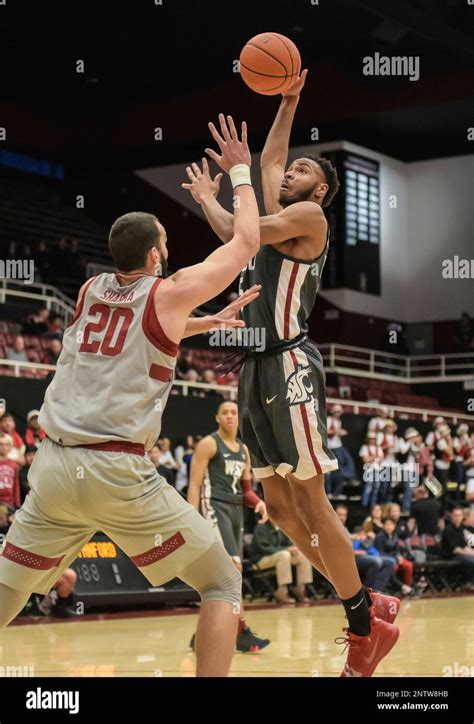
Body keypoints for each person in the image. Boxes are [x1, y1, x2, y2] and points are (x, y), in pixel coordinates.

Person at [0, 115, 262, 678]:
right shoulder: (167, 292)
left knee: (5, 596)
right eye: (165, 246)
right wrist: (241, 170)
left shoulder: (91, 291)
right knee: (220, 581)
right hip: (117, 472)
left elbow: (130, 336)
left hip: (52, 467)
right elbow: (245, 242)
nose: (167, 254)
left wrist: (202, 321)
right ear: (154, 257)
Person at [183, 76, 399, 676]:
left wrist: (232, 184)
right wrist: (289, 102)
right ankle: (364, 599)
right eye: (290, 167)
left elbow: (242, 228)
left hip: (290, 362)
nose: (288, 171)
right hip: (253, 367)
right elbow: (265, 168)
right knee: (277, 506)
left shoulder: (306, 218)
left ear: (321, 189)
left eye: (303, 169)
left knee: (310, 495)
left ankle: (362, 627)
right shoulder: (270, 209)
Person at [188, 400, 270, 650]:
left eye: (234, 412)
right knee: (232, 571)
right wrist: (193, 519)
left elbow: (246, 490)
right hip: (215, 506)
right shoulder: (209, 444)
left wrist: (259, 503)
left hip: (236, 512)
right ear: (217, 418)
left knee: (229, 576)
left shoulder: (244, 450)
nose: (230, 416)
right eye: (225, 412)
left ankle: (201, 636)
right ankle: (241, 633)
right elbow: (194, 483)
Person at [249, 519, 314, 604]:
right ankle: (282, 591)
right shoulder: (261, 527)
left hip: (278, 556)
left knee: (302, 556)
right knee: (284, 554)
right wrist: (286, 549)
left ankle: (300, 588)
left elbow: (287, 543)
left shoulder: (281, 526)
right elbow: (263, 548)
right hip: (260, 559)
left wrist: (294, 549)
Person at [325, 404, 356, 500]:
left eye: (339, 412)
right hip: (332, 447)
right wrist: (337, 432)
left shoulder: (338, 421)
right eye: (336, 412)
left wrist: (339, 432)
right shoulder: (329, 420)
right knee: (338, 466)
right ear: (333, 412)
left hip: (338, 445)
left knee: (347, 462)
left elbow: (334, 433)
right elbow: (325, 432)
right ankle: (348, 479)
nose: (338, 414)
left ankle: (349, 478)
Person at [375, 519, 414, 596]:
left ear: (394, 526)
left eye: (391, 525)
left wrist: (399, 557)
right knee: (394, 567)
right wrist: (395, 558)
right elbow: (379, 552)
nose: (389, 527)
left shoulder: (395, 536)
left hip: (395, 558)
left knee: (409, 565)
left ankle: (407, 588)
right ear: (383, 526)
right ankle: (394, 588)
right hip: (385, 559)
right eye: (387, 524)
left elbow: (397, 550)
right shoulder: (379, 537)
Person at [440, 507, 474, 591]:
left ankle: (469, 582)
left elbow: (465, 546)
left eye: (459, 515)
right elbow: (456, 549)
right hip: (450, 556)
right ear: (452, 516)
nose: (457, 517)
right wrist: (472, 554)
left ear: (462, 517)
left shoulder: (462, 529)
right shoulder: (448, 530)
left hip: (460, 555)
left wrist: (472, 552)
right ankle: (468, 583)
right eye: (455, 515)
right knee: (472, 561)